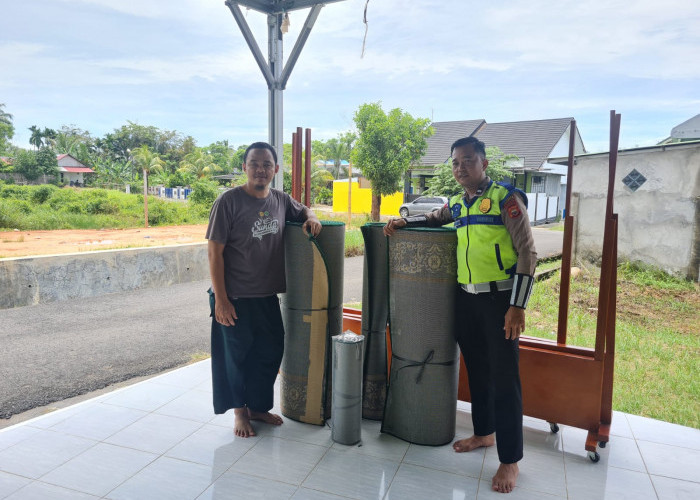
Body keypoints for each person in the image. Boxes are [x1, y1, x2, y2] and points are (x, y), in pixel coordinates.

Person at [384, 136, 537, 494]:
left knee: (504, 378)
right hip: (466, 300)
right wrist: (406, 221)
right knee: (478, 372)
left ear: (483, 163)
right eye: (455, 163)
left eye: (467, 161)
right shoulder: (457, 204)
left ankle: (510, 459)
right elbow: (436, 218)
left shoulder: (505, 199)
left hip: (500, 301)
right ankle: (484, 434)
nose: (460, 168)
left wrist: (517, 306)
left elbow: (528, 253)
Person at [206, 141, 322, 438]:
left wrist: (311, 217)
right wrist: (221, 300)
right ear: (244, 168)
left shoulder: (281, 200)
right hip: (234, 296)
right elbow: (214, 253)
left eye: (266, 164)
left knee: (269, 352)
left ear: (276, 169)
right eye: (254, 164)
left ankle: (257, 407)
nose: (260, 169)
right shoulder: (228, 202)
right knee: (235, 358)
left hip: (266, 296)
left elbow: (303, 209)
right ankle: (240, 412)